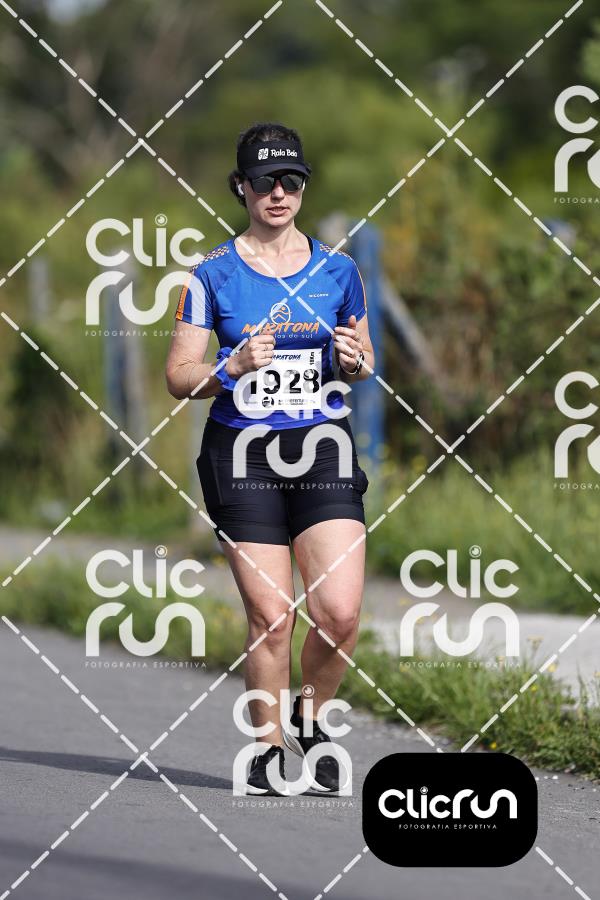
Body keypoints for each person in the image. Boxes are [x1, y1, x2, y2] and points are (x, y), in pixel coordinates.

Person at [165, 122, 375, 795]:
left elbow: (364, 360)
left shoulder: (339, 271)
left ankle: (309, 720)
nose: (278, 193)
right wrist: (229, 368)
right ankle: (266, 748)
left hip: (322, 449)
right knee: (273, 615)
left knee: (339, 614)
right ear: (241, 188)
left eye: (291, 180)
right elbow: (178, 377)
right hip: (243, 455)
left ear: (303, 186)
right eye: (264, 181)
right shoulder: (212, 275)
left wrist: (354, 360)